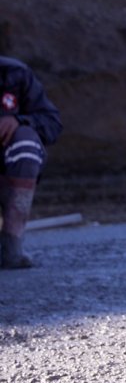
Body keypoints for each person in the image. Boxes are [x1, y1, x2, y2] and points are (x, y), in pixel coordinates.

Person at [0, 56, 62, 269]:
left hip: (6, 172)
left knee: (25, 141)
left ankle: (11, 245)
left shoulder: (14, 74)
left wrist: (19, 121)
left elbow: (52, 123)